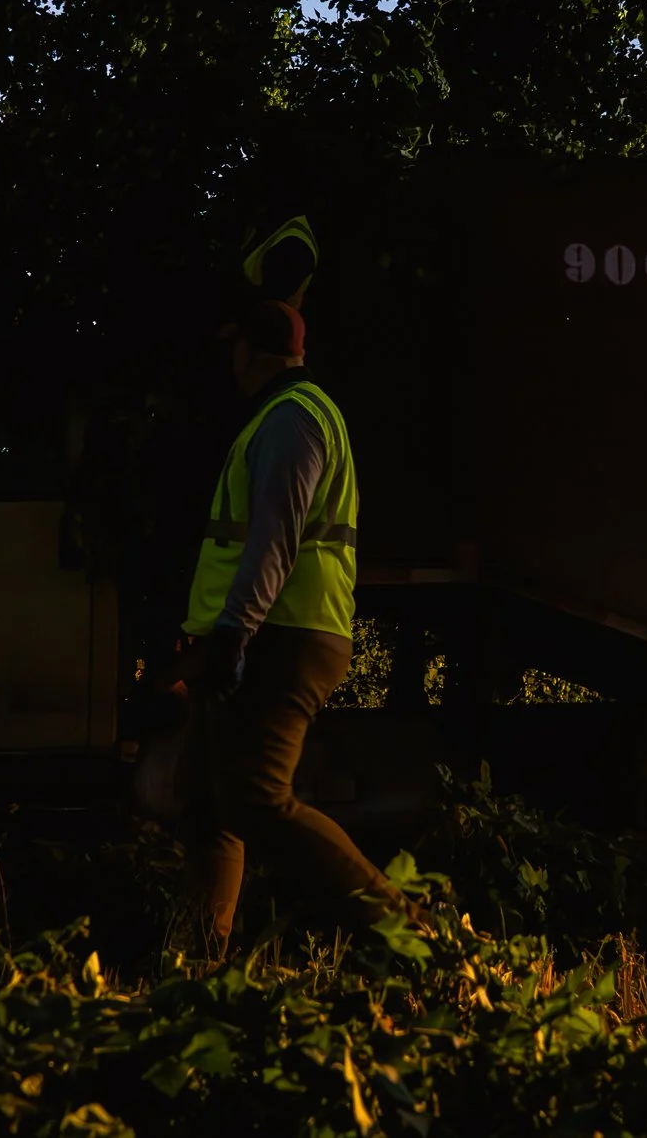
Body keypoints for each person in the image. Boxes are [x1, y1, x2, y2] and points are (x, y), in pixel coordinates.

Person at [178, 296, 395, 950]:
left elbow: (275, 538)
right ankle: (198, 961)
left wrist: (231, 632)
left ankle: (409, 933)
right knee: (206, 800)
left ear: (251, 352)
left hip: (283, 635)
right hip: (276, 630)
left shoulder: (291, 420)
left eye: (234, 349)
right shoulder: (286, 416)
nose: (229, 362)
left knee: (257, 800)